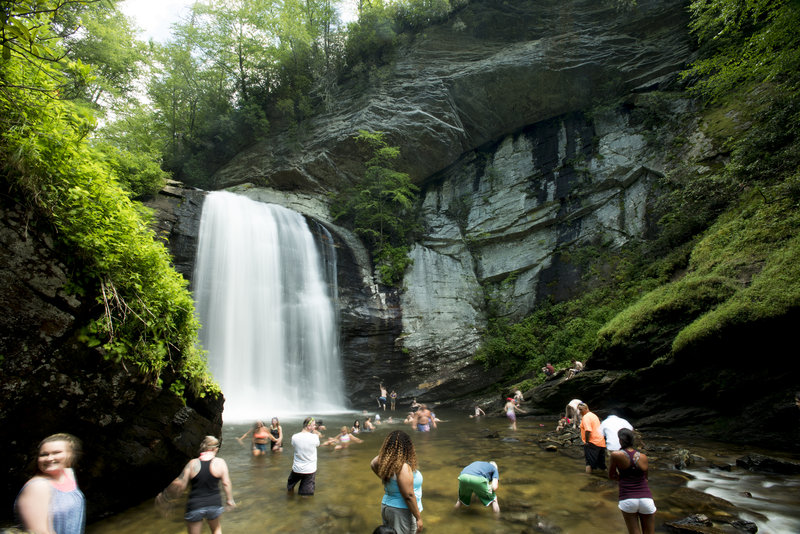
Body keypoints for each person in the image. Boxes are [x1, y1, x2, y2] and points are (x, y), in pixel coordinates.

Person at [156, 435, 235, 534]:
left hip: (195, 505)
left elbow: (180, 484)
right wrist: (229, 500)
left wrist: (165, 495)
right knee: (216, 531)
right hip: (214, 504)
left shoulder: (193, 463)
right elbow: (226, 483)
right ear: (215, 448)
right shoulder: (220, 462)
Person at [16, 433, 86, 534]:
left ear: (70, 455)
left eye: (56, 452)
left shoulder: (68, 474)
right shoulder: (37, 487)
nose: (49, 458)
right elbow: (39, 532)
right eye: (44, 455)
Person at [370, 430, 423, 533]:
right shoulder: (403, 467)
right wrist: (418, 518)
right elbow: (409, 496)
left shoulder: (390, 465)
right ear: (408, 447)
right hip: (402, 511)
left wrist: (387, 455)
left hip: (388, 508)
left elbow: (373, 463)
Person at [609, 428, 656, 534]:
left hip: (627, 498)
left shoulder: (616, 455)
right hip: (646, 499)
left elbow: (612, 475)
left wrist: (623, 479)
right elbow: (646, 479)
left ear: (620, 441)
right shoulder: (643, 457)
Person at [287, 417, 321, 496]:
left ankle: (289, 500)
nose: (315, 427)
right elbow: (317, 444)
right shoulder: (315, 437)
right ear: (309, 426)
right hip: (310, 470)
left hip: (297, 468)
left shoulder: (294, 437)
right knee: (305, 495)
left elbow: (293, 445)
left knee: (290, 487)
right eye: (313, 425)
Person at [579, 403, 607, 473]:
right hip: (601, 443)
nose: (579, 411)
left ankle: (588, 479)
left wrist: (587, 442)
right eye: (578, 410)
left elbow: (588, 430)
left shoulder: (586, 417)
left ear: (586, 408)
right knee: (601, 465)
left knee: (589, 464)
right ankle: (606, 477)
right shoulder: (594, 415)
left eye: (581, 409)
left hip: (592, 443)